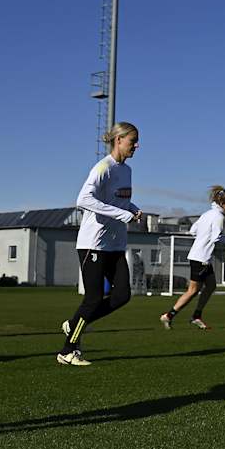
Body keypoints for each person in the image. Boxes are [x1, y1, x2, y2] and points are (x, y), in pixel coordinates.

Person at [57, 122, 142, 366]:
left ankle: (74, 323)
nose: (136, 146)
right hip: (93, 244)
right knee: (93, 298)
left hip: (115, 245)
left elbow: (118, 201)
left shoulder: (127, 170)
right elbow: (83, 199)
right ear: (118, 140)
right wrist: (122, 214)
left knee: (122, 296)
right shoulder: (103, 167)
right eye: (132, 141)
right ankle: (68, 351)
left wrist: (132, 209)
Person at [162, 186, 225, 330]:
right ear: (222, 203)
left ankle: (196, 315)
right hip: (201, 258)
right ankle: (168, 315)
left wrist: (203, 237)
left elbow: (193, 230)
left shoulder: (207, 214)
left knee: (211, 286)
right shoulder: (219, 217)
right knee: (193, 291)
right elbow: (216, 238)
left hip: (200, 257)